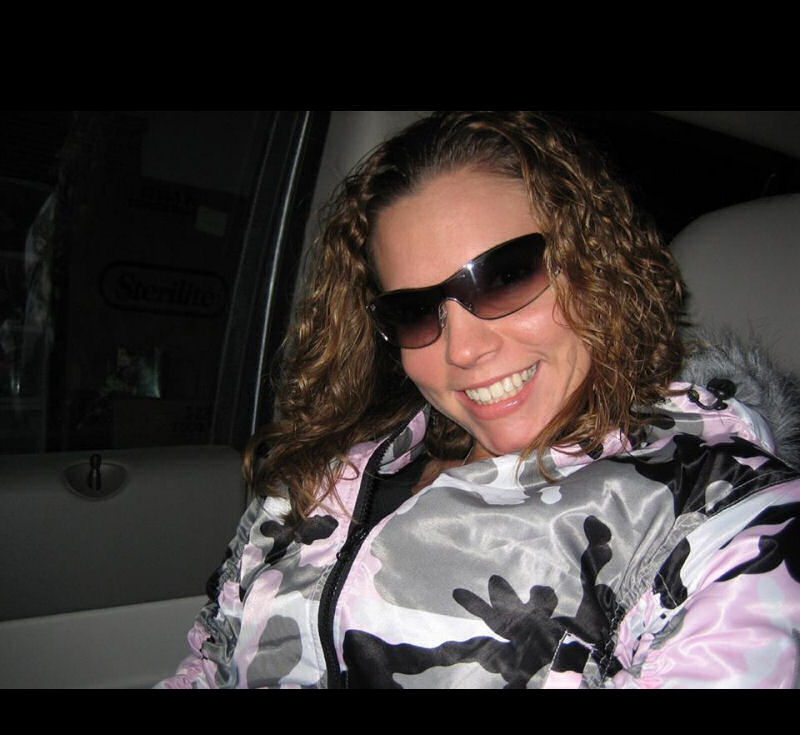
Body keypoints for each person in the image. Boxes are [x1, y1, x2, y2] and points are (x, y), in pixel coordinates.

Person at [158, 111, 800, 689]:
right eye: (415, 311)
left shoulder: (727, 525)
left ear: (596, 264)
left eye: (504, 277)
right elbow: (210, 663)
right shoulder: (327, 478)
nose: (461, 349)